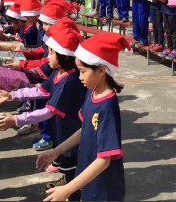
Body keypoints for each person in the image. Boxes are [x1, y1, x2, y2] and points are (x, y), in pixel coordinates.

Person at [0, 20, 87, 198]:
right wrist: (11, 95)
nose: (47, 57)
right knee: (66, 164)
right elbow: (40, 90)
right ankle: (67, 184)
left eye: (51, 53)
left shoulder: (69, 80)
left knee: (72, 165)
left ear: (64, 55)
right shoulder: (59, 74)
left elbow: (48, 111)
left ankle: (73, 193)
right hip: (62, 130)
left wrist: (17, 119)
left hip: (72, 134)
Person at [37, 32, 128, 201]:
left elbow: (104, 160)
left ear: (101, 69)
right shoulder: (91, 93)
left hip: (103, 188)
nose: (79, 77)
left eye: (83, 71)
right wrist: (56, 152)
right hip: (88, 179)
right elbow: (85, 129)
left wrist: (67, 189)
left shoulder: (107, 105)